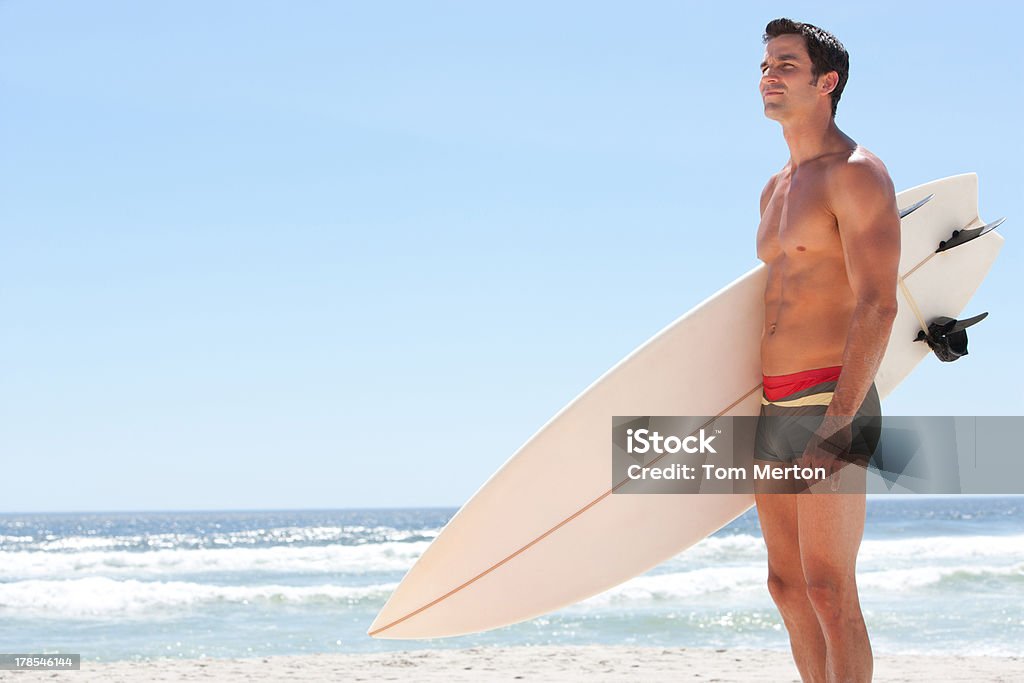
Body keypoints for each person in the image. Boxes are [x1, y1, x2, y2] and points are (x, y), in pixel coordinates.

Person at [752, 17, 900, 683]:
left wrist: (838, 423)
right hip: (773, 404)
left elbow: (879, 301)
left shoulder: (858, 174)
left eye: (785, 64)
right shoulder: (775, 188)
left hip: (831, 399)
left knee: (829, 590)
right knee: (785, 586)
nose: (768, 75)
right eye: (765, 65)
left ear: (826, 81)